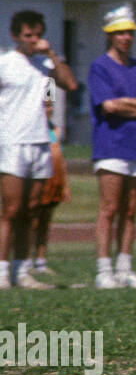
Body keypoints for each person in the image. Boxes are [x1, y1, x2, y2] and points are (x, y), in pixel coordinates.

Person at [0, 10, 78, 289]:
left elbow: (68, 84)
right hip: (12, 142)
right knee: (11, 209)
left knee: (32, 210)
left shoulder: (45, 65)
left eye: (37, 35)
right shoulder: (6, 63)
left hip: (40, 142)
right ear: (15, 36)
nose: (34, 40)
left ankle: (22, 271)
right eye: (28, 35)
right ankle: (1, 272)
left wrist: (53, 55)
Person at [89, 4, 136, 289]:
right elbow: (108, 106)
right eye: (120, 33)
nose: (125, 38)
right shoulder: (100, 67)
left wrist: (128, 104)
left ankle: (125, 268)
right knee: (109, 209)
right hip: (110, 147)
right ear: (110, 36)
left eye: (129, 33)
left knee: (131, 211)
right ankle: (103, 270)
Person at [31, 97, 71, 277]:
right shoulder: (32, 131)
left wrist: (65, 186)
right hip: (37, 182)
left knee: (45, 223)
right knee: (32, 222)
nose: (49, 110)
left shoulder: (55, 130)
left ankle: (41, 260)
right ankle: (24, 259)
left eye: (50, 106)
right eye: (45, 106)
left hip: (53, 182)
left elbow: (60, 160)